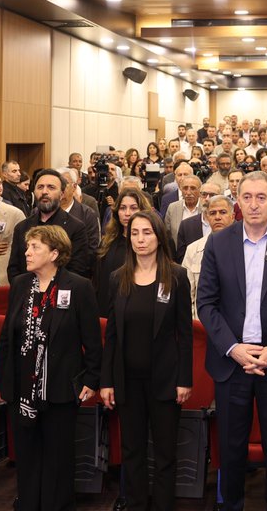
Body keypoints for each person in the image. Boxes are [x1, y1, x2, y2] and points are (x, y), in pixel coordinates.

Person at [196, 172, 267, 511]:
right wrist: (234, 349)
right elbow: (206, 303)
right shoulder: (219, 242)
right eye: (247, 197)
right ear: (238, 201)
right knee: (231, 447)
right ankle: (231, 505)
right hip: (232, 362)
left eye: (262, 197)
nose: (254, 204)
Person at [0, 225, 102, 511]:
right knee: (27, 455)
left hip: (60, 387)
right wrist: (2, 382)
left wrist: (92, 378)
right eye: (27, 246)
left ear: (54, 253)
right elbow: (7, 337)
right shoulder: (20, 284)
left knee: (58, 457)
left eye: (35, 247)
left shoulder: (78, 287)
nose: (27, 252)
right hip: (22, 388)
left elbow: (92, 341)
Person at [100, 211, 192, 511]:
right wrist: (107, 381)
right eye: (135, 233)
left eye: (147, 232)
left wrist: (184, 379)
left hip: (165, 379)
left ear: (159, 236)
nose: (140, 239)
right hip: (128, 380)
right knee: (132, 451)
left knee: (165, 453)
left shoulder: (176, 276)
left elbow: (185, 334)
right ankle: (136, 504)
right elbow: (111, 334)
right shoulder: (118, 278)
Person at [6, 169, 96, 283]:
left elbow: (77, 270)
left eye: (51, 187)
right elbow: (14, 269)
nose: (44, 192)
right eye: (40, 187)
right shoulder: (22, 227)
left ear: (61, 194)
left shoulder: (76, 227)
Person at [94, 189, 154, 319]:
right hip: (108, 310)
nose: (127, 213)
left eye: (133, 208)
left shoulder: (152, 242)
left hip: (141, 311)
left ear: (143, 210)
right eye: (122, 208)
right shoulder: (107, 242)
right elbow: (99, 282)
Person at [183, 196, 235, 319]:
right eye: (212, 213)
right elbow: (186, 295)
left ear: (232, 217)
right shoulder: (193, 249)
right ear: (207, 217)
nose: (217, 217)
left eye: (223, 212)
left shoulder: (245, 248)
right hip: (201, 323)